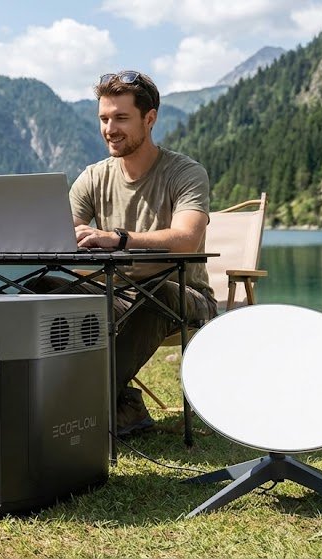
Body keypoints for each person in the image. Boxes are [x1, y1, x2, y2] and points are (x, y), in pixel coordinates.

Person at [29, 70, 217, 436]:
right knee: (43, 288)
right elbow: (63, 233)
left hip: (183, 295)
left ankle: (77, 403)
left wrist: (117, 239)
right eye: (103, 118)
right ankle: (118, 406)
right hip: (115, 294)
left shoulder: (185, 173)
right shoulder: (94, 176)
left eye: (121, 118)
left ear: (150, 118)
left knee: (157, 294)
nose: (109, 129)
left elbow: (186, 240)